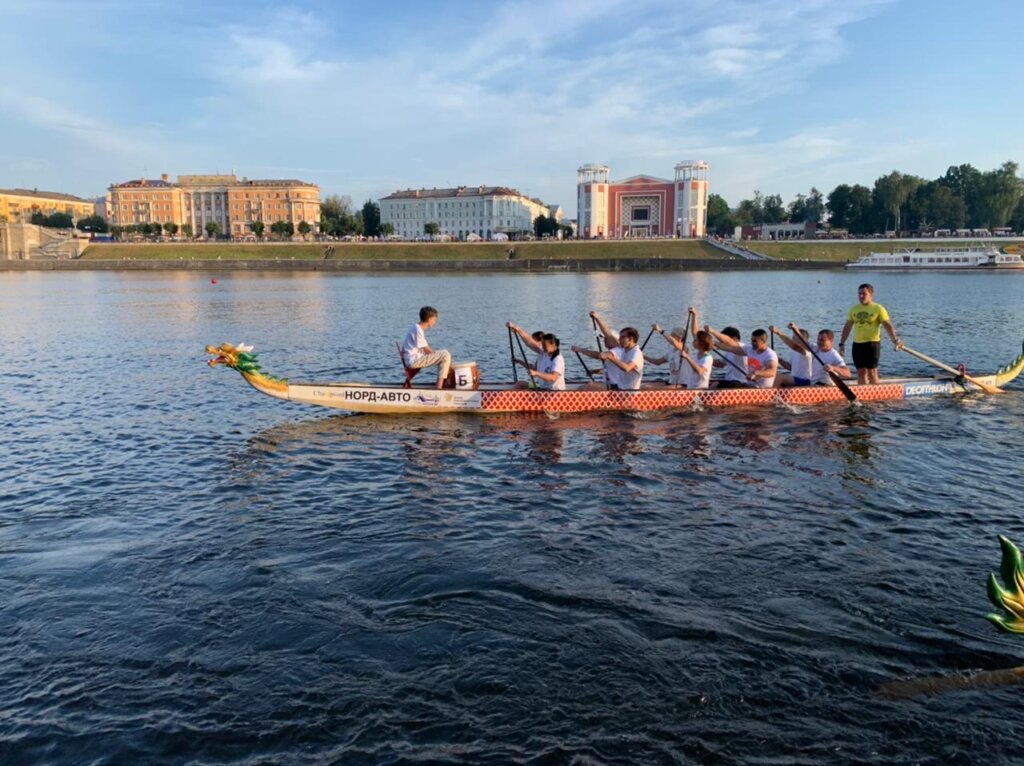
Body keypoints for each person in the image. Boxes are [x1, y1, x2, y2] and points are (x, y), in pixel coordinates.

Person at [839, 283, 901, 385]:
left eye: (864, 294)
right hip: (857, 344)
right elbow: (847, 327)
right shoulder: (854, 309)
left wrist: (895, 340)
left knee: (872, 372)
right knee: (860, 372)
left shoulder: (878, 308)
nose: (861, 296)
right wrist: (841, 344)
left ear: (871, 294)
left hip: (872, 344)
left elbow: (887, 325)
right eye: (859, 294)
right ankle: (862, 395)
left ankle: (876, 397)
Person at [573, 325, 644, 390]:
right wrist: (594, 371)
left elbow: (627, 368)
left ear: (630, 339)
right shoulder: (625, 351)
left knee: (587, 387)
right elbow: (611, 370)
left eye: (622, 337)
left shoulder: (632, 353)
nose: (604, 340)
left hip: (628, 392)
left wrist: (580, 350)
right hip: (620, 388)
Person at [706, 326, 778, 388]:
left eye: (755, 341)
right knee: (715, 385)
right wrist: (712, 343)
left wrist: (755, 373)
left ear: (763, 341)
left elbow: (772, 372)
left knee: (718, 386)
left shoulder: (770, 354)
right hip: (749, 385)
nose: (752, 343)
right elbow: (729, 348)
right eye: (751, 340)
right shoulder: (749, 349)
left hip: (761, 388)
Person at [401, 306, 451, 390]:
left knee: (444, 353)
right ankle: (439, 388)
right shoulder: (418, 329)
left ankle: (442, 383)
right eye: (434, 320)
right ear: (430, 319)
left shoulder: (415, 327)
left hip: (413, 358)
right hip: (414, 361)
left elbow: (425, 349)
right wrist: (436, 356)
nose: (435, 322)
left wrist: (436, 355)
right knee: (445, 355)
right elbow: (426, 349)